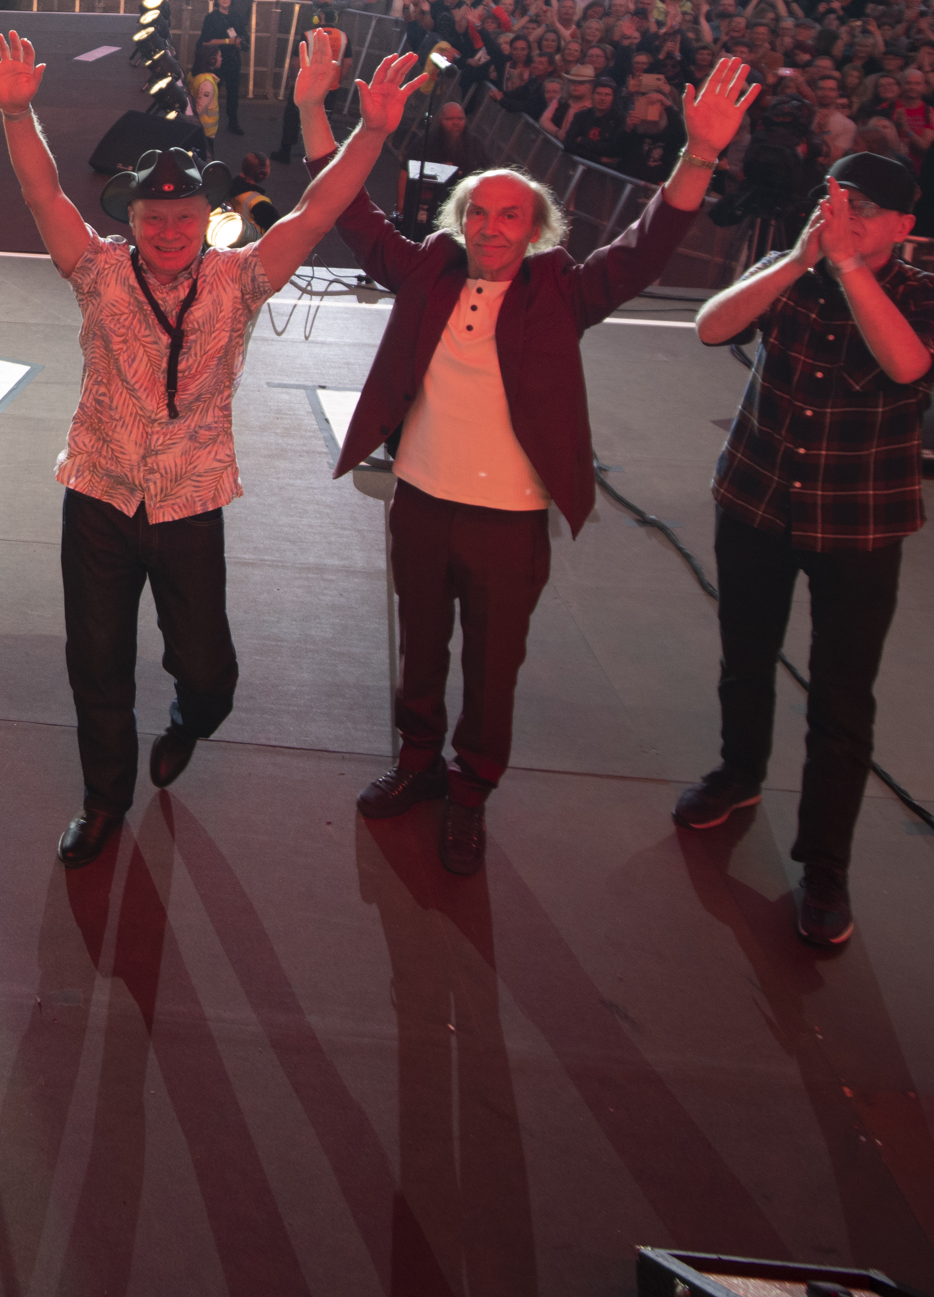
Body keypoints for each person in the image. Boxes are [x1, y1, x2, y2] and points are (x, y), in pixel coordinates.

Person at [298, 52, 761, 874]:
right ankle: (415, 763)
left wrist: (698, 156)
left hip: (509, 517)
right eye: (479, 214)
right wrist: (316, 114)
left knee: (492, 666)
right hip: (421, 500)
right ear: (460, 221)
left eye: (511, 217)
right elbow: (354, 214)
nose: (491, 228)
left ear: (537, 229)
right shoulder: (427, 269)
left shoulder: (565, 291)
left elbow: (649, 245)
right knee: (423, 650)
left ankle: (470, 790)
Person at [0, 23, 419, 869]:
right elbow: (45, 197)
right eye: (156, 217)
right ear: (136, 219)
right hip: (101, 497)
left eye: (186, 217)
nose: (170, 232)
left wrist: (369, 129)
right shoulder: (99, 271)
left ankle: (193, 716)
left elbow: (320, 208)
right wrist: (17, 116)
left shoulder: (242, 279)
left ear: (207, 220)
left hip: (191, 505)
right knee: (97, 663)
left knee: (210, 670)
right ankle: (104, 798)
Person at [677, 152, 934, 949]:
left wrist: (846, 268)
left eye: (867, 210)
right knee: (745, 658)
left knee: (841, 700)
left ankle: (824, 867)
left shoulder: (926, 294)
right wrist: (801, 262)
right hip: (758, 498)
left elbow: (906, 366)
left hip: (860, 524)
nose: (847, 218)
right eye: (839, 203)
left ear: (904, 226)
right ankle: (737, 774)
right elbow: (712, 327)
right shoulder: (788, 267)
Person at [194, 0, 247, 135]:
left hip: (233, 59)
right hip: (215, 60)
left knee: (233, 92)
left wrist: (240, 42)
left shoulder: (236, 16)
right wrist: (228, 41)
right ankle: (201, 121)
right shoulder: (211, 18)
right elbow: (205, 41)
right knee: (211, 90)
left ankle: (233, 121)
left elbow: (243, 34)